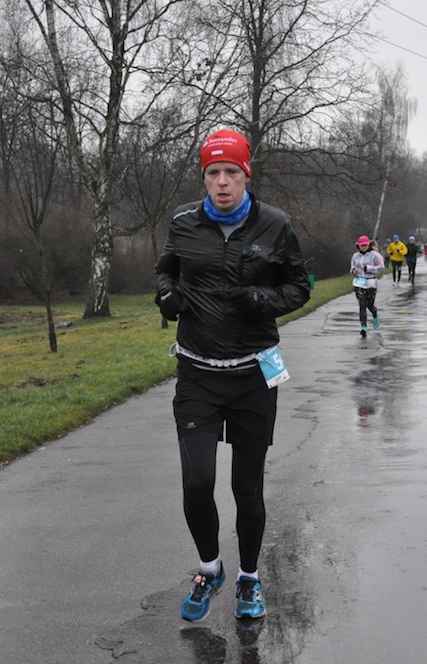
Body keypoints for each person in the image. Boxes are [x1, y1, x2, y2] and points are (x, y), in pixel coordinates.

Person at [155, 128, 310, 622]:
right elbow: (166, 270)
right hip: (197, 373)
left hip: (253, 374)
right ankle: (210, 569)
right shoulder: (183, 223)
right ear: (204, 177)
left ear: (246, 174)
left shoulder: (275, 225)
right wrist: (166, 296)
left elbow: (299, 287)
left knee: (248, 488)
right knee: (197, 482)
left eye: (231, 172)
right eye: (213, 173)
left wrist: (262, 299)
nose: (222, 182)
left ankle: (248, 578)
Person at [351, 235, 384, 337]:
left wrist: (368, 268)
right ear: (359, 245)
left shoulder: (375, 255)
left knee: (370, 304)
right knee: (362, 304)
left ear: (369, 244)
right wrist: (353, 270)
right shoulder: (355, 256)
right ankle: (363, 327)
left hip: (371, 282)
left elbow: (381, 267)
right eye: (362, 245)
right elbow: (352, 266)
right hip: (359, 282)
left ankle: (375, 314)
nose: (364, 247)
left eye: (365, 245)